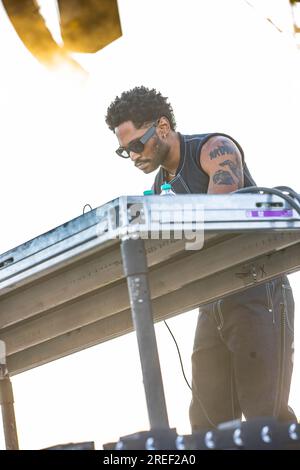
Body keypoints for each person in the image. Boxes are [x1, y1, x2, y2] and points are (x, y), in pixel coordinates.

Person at [105, 86, 296, 430]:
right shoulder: (162, 182)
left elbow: (215, 217)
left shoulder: (212, 150)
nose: (133, 156)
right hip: (212, 300)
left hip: (256, 289)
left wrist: (165, 221)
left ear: (162, 127)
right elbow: (187, 246)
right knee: (207, 423)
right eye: (124, 151)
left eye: (136, 144)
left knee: (265, 421)